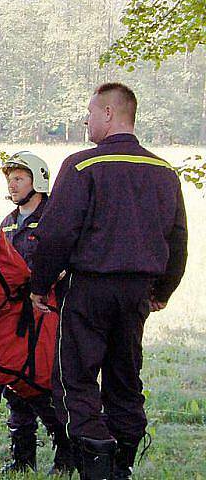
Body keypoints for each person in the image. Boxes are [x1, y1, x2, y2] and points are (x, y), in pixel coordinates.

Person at [29, 83, 188, 480]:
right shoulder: (164, 172)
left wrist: (39, 285)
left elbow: (57, 233)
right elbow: (178, 238)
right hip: (137, 293)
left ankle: (96, 466)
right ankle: (124, 465)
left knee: (76, 381)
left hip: (88, 290)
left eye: (89, 112)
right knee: (125, 379)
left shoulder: (82, 166)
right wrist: (162, 291)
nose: (85, 121)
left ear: (108, 114)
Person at [0, 151, 74, 475]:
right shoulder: (6, 224)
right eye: (10, 179)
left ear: (38, 181)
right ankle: (22, 457)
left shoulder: (56, 218)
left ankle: (66, 455)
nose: (13, 185)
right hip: (16, 319)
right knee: (16, 384)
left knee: (47, 386)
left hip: (51, 315)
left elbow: (66, 262)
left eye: (19, 178)